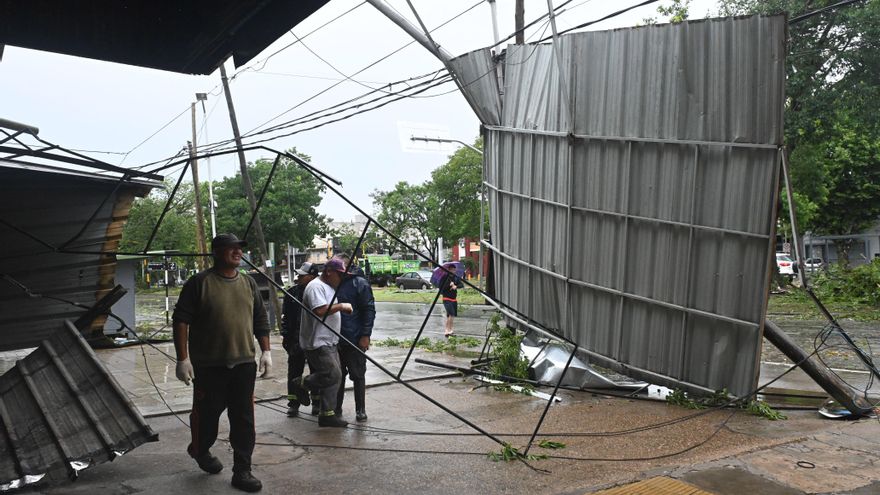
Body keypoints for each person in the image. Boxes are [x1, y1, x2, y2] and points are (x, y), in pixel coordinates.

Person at [172, 233, 270, 493]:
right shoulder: (199, 283)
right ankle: (200, 449)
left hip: (243, 365)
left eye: (239, 248)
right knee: (206, 418)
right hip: (209, 367)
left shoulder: (248, 284)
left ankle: (242, 471)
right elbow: (181, 321)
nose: (237, 252)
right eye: (231, 248)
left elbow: (260, 319)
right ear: (217, 252)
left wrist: (266, 352)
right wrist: (182, 359)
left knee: (244, 420)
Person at [289, 257, 352, 427]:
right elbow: (320, 310)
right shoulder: (316, 286)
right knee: (333, 374)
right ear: (329, 272)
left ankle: (327, 414)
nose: (342, 278)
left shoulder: (328, 287)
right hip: (318, 341)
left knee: (335, 377)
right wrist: (342, 306)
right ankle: (301, 383)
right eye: (340, 275)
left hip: (329, 340)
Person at [333, 253, 376, 422]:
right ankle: (336, 408)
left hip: (354, 337)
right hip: (335, 338)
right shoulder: (332, 283)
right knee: (337, 375)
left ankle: (360, 409)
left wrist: (365, 335)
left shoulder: (359, 283)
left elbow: (369, 310)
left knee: (358, 374)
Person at [280, 261, 321, 417]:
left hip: (314, 339)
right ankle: (293, 403)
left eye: (302, 275)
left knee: (316, 371)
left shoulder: (319, 291)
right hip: (296, 340)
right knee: (294, 372)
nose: (298, 277)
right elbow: (286, 318)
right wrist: (286, 338)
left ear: (312, 276)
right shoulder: (292, 293)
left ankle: (316, 402)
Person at [440, 263, 459, 337]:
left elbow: (461, 285)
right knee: (451, 314)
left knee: (451, 315)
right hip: (446, 298)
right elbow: (441, 288)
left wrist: (455, 286)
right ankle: (447, 330)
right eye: (452, 270)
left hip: (454, 299)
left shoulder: (455, 277)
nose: (454, 271)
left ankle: (450, 330)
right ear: (449, 270)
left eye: (455, 270)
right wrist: (449, 285)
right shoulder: (444, 277)